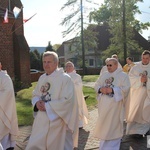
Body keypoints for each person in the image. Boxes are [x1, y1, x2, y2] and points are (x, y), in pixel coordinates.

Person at [25, 51, 78, 150]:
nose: (46, 64)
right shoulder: (42, 78)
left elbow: (68, 101)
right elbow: (36, 94)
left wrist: (47, 106)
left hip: (57, 120)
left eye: (49, 62)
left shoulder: (65, 79)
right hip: (41, 120)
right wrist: (37, 102)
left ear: (56, 63)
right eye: (44, 62)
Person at [93, 58, 130, 150]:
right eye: (107, 65)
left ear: (116, 65)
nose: (108, 67)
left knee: (113, 127)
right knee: (104, 126)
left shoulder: (123, 75)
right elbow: (96, 85)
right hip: (103, 106)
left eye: (110, 65)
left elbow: (126, 88)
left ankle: (113, 147)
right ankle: (103, 146)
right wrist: (100, 89)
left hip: (115, 106)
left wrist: (113, 90)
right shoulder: (104, 75)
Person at [125, 50, 150, 137]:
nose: (145, 60)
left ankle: (146, 129)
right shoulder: (136, 68)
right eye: (143, 58)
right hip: (137, 94)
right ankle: (135, 132)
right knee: (136, 112)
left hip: (148, 95)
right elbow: (130, 78)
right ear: (141, 57)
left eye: (147, 58)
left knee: (147, 111)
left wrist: (147, 80)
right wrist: (140, 80)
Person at [0, 62, 18, 150]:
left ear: (0, 66)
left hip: (4, 110)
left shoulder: (4, 77)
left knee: (4, 131)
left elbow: (7, 93)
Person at [65, 61, 88, 129]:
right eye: (67, 66)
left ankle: (79, 124)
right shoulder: (63, 76)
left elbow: (79, 86)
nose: (68, 67)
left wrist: (71, 86)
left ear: (73, 67)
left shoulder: (77, 76)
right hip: (65, 97)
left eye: (70, 66)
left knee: (77, 109)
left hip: (76, 96)